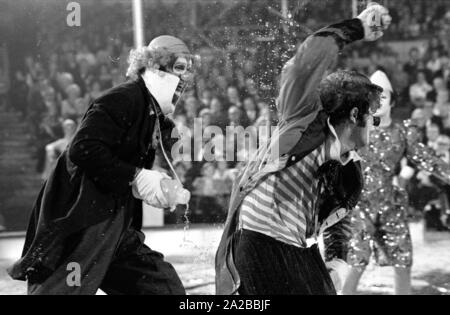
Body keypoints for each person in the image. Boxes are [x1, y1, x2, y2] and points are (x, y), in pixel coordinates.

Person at [216, 3, 392, 295]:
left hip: (296, 251)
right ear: (353, 115)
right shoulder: (304, 116)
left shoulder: (352, 172)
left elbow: (339, 222)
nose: (374, 124)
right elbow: (305, 63)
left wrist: (337, 263)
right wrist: (356, 28)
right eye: (371, 117)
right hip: (256, 242)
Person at [8, 35, 197, 295]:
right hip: (83, 222)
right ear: (155, 66)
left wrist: (153, 183)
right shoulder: (123, 98)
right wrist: (137, 177)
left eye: (187, 71)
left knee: (164, 289)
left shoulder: (152, 113)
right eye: (179, 69)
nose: (184, 80)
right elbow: (83, 148)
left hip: (118, 227)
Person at [343, 70, 450, 295]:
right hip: (360, 205)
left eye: (383, 96)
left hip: (391, 205)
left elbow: (427, 159)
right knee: (357, 262)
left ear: (392, 101)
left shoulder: (402, 132)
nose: (378, 101)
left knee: (403, 262)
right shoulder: (353, 131)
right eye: (372, 96)